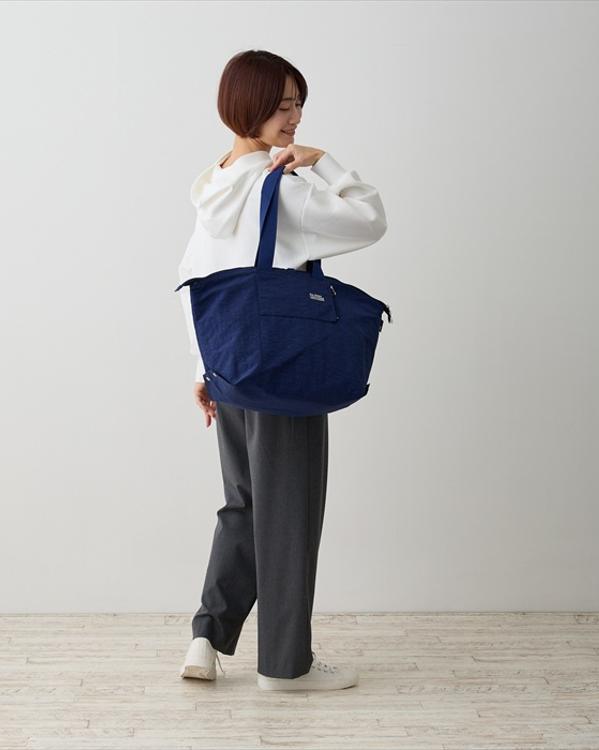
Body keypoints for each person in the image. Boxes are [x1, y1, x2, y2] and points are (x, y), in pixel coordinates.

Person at [177, 50, 387, 691]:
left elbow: (194, 280)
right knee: (288, 514)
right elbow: (370, 219)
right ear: (248, 105)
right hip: (283, 371)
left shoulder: (213, 186)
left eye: (299, 105)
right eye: (283, 105)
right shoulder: (286, 186)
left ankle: (206, 638)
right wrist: (325, 163)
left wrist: (203, 368)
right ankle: (286, 667)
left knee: (243, 505)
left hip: (230, 367)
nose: (294, 118)